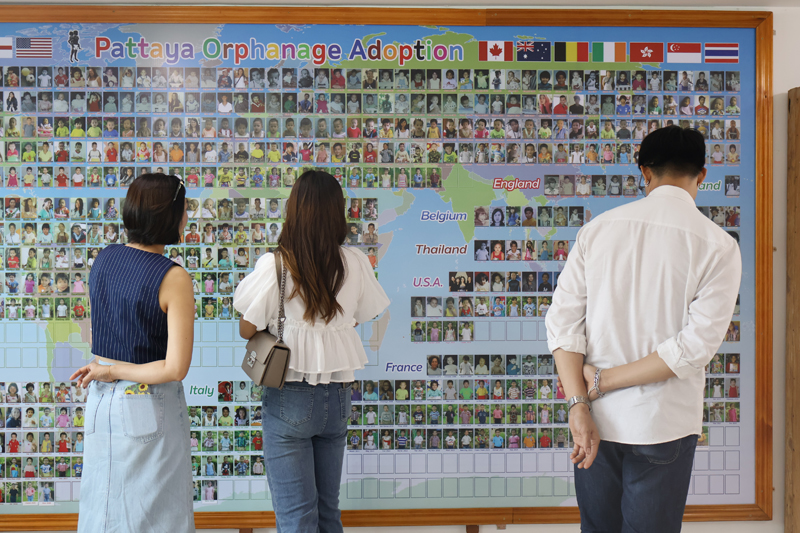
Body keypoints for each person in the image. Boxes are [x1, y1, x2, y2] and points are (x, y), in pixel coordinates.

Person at [546, 126, 741, 532]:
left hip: (595, 420)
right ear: (702, 175)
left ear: (645, 172)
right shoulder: (719, 245)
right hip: (663, 422)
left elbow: (562, 324)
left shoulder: (598, 230)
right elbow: (693, 348)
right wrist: (600, 383)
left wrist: (581, 399)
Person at [234, 170, 390, 532]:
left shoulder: (277, 264)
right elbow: (360, 315)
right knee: (327, 512)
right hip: (337, 398)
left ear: (294, 211)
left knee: (296, 517)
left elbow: (246, 328)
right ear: (338, 212)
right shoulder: (354, 261)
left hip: (289, 396)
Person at [69, 173, 195, 533]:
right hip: (146, 404)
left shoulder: (105, 259)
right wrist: (115, 370)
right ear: (170, 215)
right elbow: (175, 368)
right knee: (157, 516)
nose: (187, 216)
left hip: (100, 401)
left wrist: (108, 370)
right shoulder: (173, 277)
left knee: (101, 509)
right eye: (185, 208)